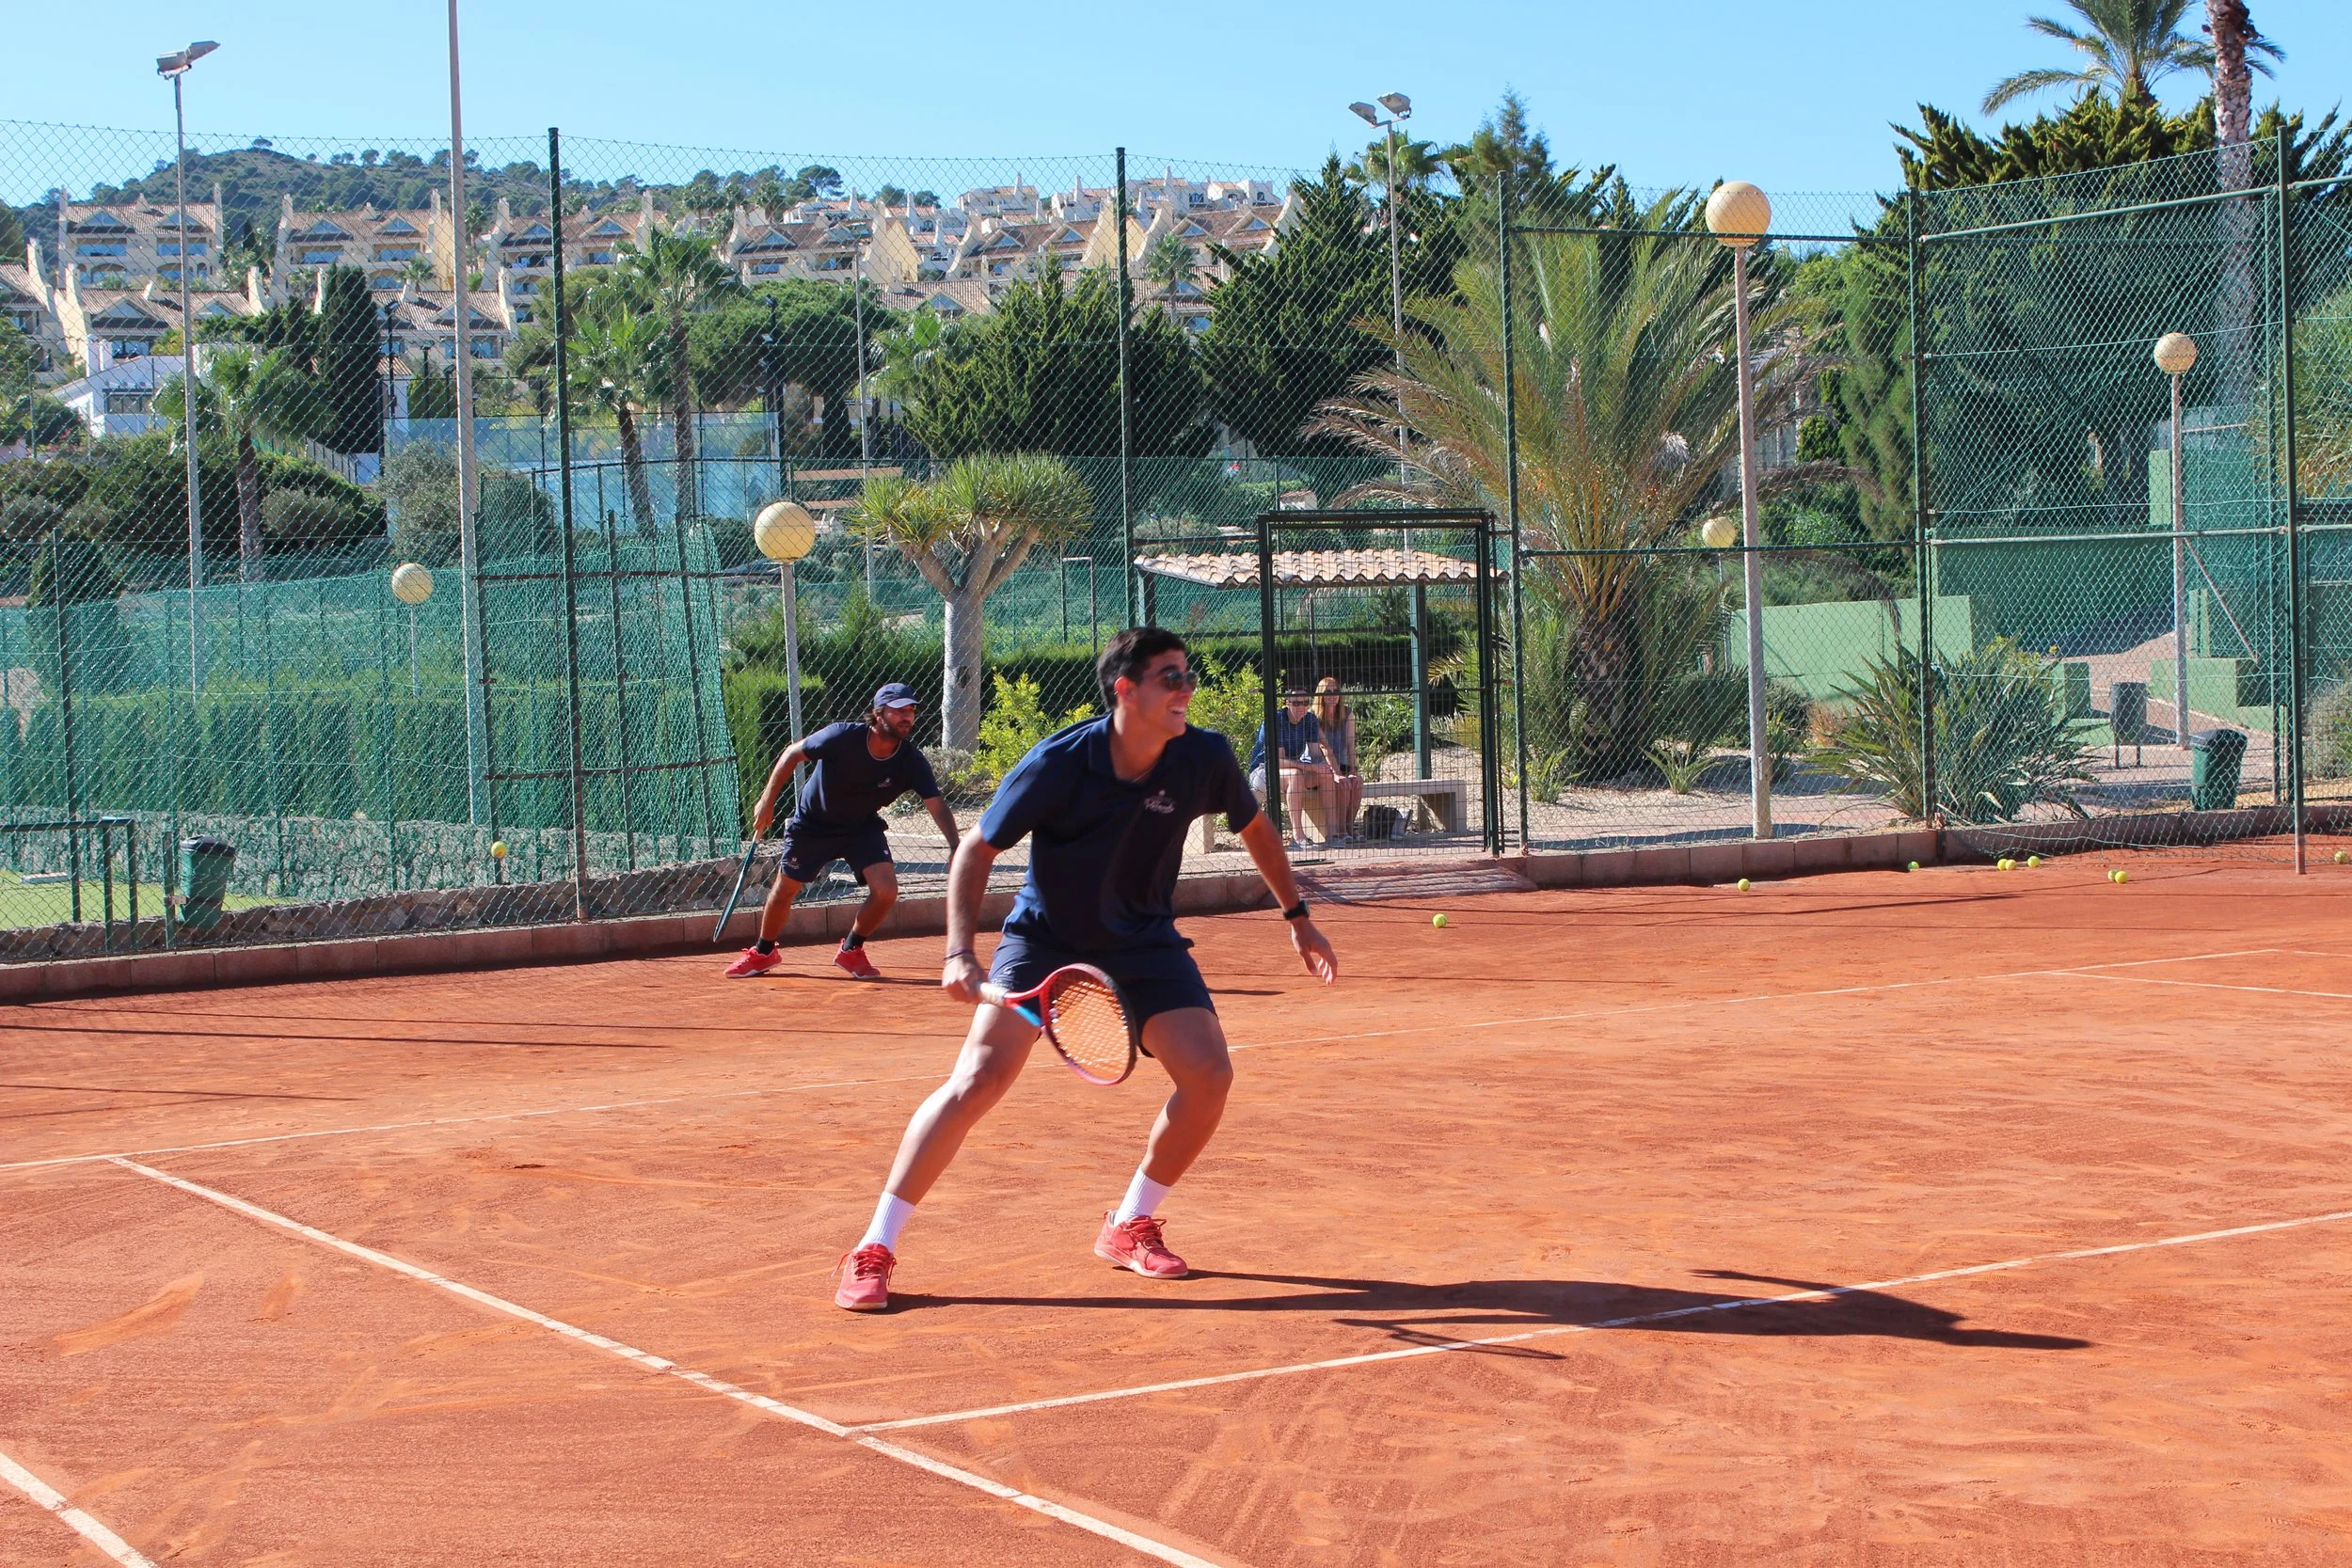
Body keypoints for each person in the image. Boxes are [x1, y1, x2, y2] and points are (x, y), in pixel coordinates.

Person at [833, 626, 1338, 1311]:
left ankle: (1129, 1222)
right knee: (977, 1079)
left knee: (1210, 1073)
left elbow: (1256, 829)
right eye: (1170, 677)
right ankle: (874, 1246)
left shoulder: (1205, 756)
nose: (1186, 689)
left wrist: (1298, 916)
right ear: (1125, 689)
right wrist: (959, 951)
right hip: (1046, 940)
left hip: (1145, 942)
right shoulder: (1062, 761)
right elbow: (976, 850)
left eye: (1187, 676)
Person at [723, 682, 960, 981]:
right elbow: (792, 754)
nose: (907, 717)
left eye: (911, 710)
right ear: (878, 713)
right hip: (812, 825)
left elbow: (936, 805)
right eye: (899, 710)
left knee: (886, 890)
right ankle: (764, 951)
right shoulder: (842, 737)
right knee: (785, 890)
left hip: (860, 827)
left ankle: (851, 949)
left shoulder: (910, 761)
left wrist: (955, 846)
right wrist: (766, 801)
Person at [1247, 689, 1338, 847]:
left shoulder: (1310, 720)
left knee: (1326, 774)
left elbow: (1315, 755)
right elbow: (1278, 761)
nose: (1301, 707)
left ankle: (1333, 835)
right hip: (1262, 773)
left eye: (1304, 703)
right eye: (1296, 703)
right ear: (1287, 703)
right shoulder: (1277, 720)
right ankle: (1298, 837)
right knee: (1295, 774)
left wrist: (1322, 766)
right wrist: (1311, 767)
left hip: (1290, 774)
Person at [1314, 676, 1364, 842]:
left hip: (1341, 763)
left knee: (1356, 782)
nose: (1332, 695)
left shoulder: (1348, 713)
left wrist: (1352, 770)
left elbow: (1350, 745)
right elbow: (1324, 748)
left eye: (1335, 691)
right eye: (1328, 692)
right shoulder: (1314, 717)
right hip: (1321, 765)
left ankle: (1350, 827)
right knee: (1342, 784)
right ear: (1321, 695)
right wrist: (1336, 774)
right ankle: (1342, 831)